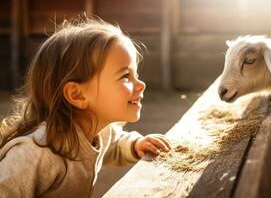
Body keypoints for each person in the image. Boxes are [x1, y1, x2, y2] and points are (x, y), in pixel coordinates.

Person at [0, 16, 172, 197]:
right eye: (125, 77)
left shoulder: (98, 131)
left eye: (135, 74)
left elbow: (114, 144)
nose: (141, 84)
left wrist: (136, 144)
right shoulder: (36, 153)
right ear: (77, 94)